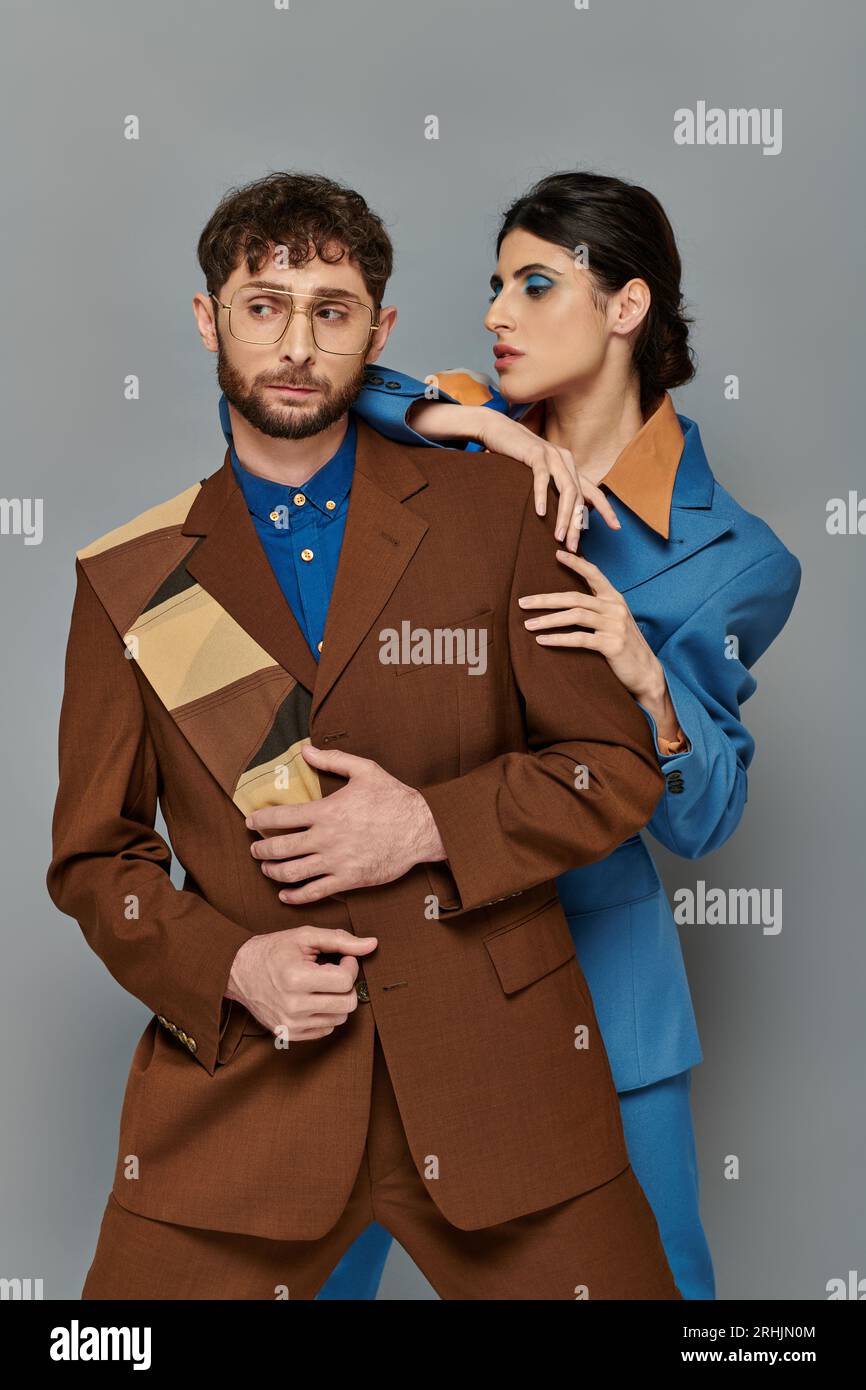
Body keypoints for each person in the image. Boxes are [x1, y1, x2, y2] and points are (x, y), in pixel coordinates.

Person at [46, 170, 681, 1300]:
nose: (296, 343)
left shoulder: (500, 515)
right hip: (244, 1102)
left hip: (506, 1095)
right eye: (262, 306)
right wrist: (231, 963)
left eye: (331, 310)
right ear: (209, 320)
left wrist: (425, 824)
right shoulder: (130, 581)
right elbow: (97, 863)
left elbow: (613, 770)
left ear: (377, 330)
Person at [320, 170, 801, 1300]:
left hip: (598, 978)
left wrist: (645, 679)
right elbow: (321, 392)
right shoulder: (455, 444)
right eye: (494, 285)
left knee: (657, 1291)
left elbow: (702, 817)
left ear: (625, 307)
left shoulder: (736, 557)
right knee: (300, 1274)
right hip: (400, 946)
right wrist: (461, 419)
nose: (495, 313)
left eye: (535, 284)